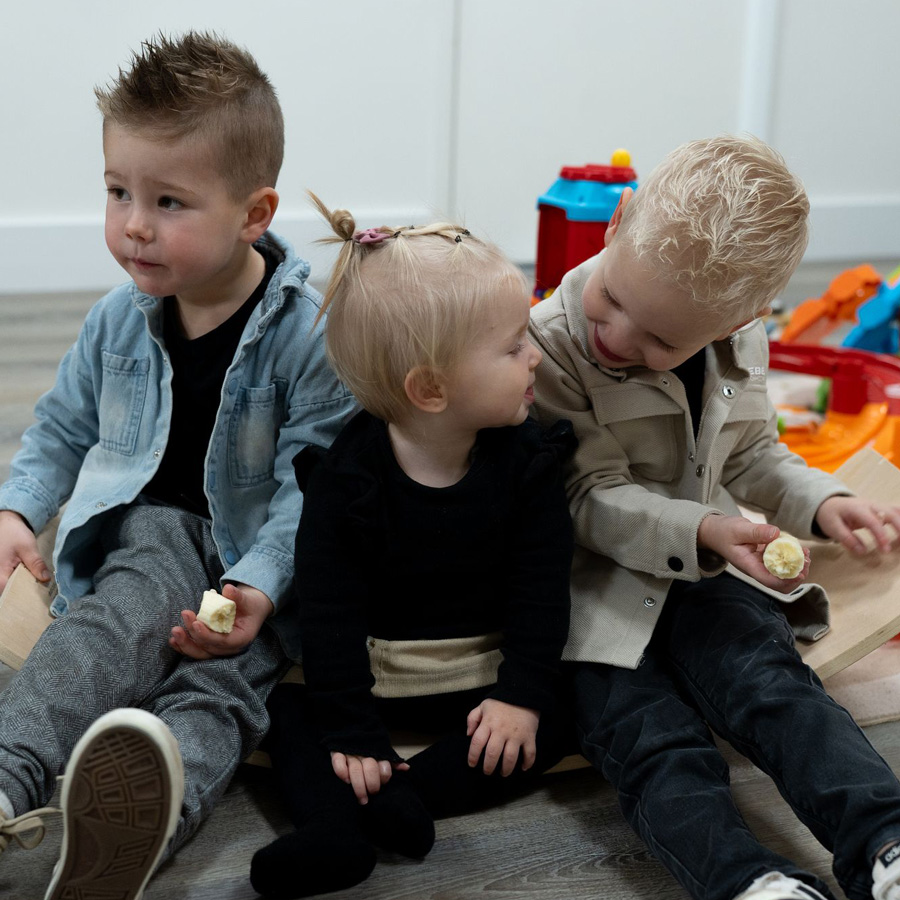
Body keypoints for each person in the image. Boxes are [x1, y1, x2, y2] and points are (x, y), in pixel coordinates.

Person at [0, 32, 354, 898]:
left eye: (167, 202)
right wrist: (17, 511)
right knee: (104, 634)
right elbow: (58, 430)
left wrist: (259, 590)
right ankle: (9, 772)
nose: (132, 224)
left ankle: (134, 821)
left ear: (253, 215)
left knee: (226, 693)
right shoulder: (116, 323)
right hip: (160, 533)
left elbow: (313, 488)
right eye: (118, 191)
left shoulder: (310, 337)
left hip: (261, 571)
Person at [528, 133, 900, 900]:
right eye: (614, 300)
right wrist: (700, 530)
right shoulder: (551, 346)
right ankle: (749, 883)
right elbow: (585, 494)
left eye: (662, 340)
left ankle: (883, 839)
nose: (619, 336)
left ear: (741, 319)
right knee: (651, 739)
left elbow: (754, 454)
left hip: (708, 572)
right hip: (587, 597)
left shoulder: (739, 342)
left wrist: (823, 502)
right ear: (616, 224)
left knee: (778, 690)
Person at [249, 195, 576, 899]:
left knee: (566, 704)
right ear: (430, 388)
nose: (537, 357)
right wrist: (355, 731)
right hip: (381, 677)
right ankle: (335, 829)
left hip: (484, 680)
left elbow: (543, 588)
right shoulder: (346, 482)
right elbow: (330, 616)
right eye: (515, 345)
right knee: (286, 711)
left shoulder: (529, 461)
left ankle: (403, 799)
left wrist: (521, 695)